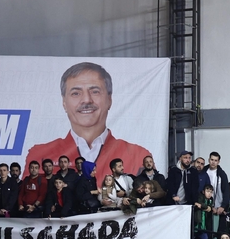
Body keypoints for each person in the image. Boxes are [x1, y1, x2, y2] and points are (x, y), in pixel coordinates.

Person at [24, 62, 152, 185]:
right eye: (76, 93)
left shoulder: (138, 155)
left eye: (95, 91)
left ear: (109, 99)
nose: (86, 100)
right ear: (64, 102)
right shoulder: (40, 154)